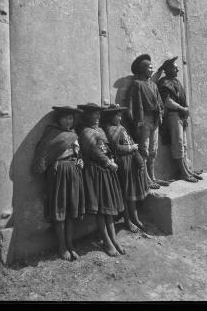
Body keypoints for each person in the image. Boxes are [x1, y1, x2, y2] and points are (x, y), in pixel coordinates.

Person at [32, 106, 85, 261]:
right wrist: (52, 163)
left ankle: (70, 244)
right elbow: (43, 154)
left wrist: (80, 159)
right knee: (60, 211)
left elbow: (78, 152)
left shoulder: (74, 134)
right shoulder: (52, 133)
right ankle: (62, 247)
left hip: (73, 173)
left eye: (71, 118)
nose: (69, 121)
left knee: (70, 210)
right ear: (59, 119)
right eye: (66, 118)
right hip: (59, 173)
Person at [77, 103, 125, 257]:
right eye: (94, 114)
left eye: (98, 114)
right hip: (95, 171)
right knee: (101, 209)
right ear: (87, 116)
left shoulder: (100, 130)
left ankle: (114, 238)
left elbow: (107, 146)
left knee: (109, 206)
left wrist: (112, 158)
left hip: (107, 171)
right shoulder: (85, 131)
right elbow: (93, 150)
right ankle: (106, 240)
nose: (98, 117)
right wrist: (108, 162)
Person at [102, 104, 150, 233]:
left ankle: (135, 217)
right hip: (122, 163)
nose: (119, 118)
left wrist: (139, 160)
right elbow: (115, 147)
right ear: (110, 117)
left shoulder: (121, 128)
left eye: (119, 115)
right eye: (116, 115)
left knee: (132, 191)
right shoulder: (109, 129)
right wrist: (131, 148)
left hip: (131, 162)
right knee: (126, 193)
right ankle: (128, 220)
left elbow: (131, 142)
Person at [157, 57, 203, 182]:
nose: (177, 69)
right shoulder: (164, 82)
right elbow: (167, 102)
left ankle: (187, 170)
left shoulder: (176, 81)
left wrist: (185, 111)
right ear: (168, 69)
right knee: (178, 144)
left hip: (181, 115)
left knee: (183, 144)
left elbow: (182, 98)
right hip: (173, 115)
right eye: (174, 67)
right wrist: (183, 109)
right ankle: (183, 172)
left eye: (177, 67)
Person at [128, 54, 170, 189]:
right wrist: (137, 123)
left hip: (155, 120)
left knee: (153, 150)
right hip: (144, 120)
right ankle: (145, 179)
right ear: (142, 69)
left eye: (152, 68)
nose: (152, 70)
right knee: (144, 150)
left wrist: (161, 114)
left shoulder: (153, 84)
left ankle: (152, 177)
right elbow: (130, 107)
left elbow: (160, 103)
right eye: (150, 68)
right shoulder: (137, 84)